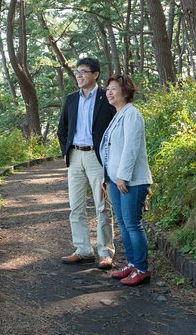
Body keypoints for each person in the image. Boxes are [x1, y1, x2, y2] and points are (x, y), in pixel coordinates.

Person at [57, 57, 116, 269]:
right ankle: (83, 249)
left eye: (83, 71)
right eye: (77, 72)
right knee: (76, 207)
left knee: (102, 206)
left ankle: (105, 252)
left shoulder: (105, 97)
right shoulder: (71, 99)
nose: (79, 75)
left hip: (96, 157)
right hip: (75, 157)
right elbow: (62, 129)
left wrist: (110, 156)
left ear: (95, 74)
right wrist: (67, 151)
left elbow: (115, 129)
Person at [100, 74, 153, 286]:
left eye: (114, 88)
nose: (109, 92)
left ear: (125, 91)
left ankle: (141, 268)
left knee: (133, 224)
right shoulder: (118, 115)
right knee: (123, 223)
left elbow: (131, 148)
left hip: (132, 181)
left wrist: (122, 175)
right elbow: (110, 151)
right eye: (108, 89)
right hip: (116, 180)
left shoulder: (133, 115)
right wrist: (107, 177)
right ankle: (131, 264)